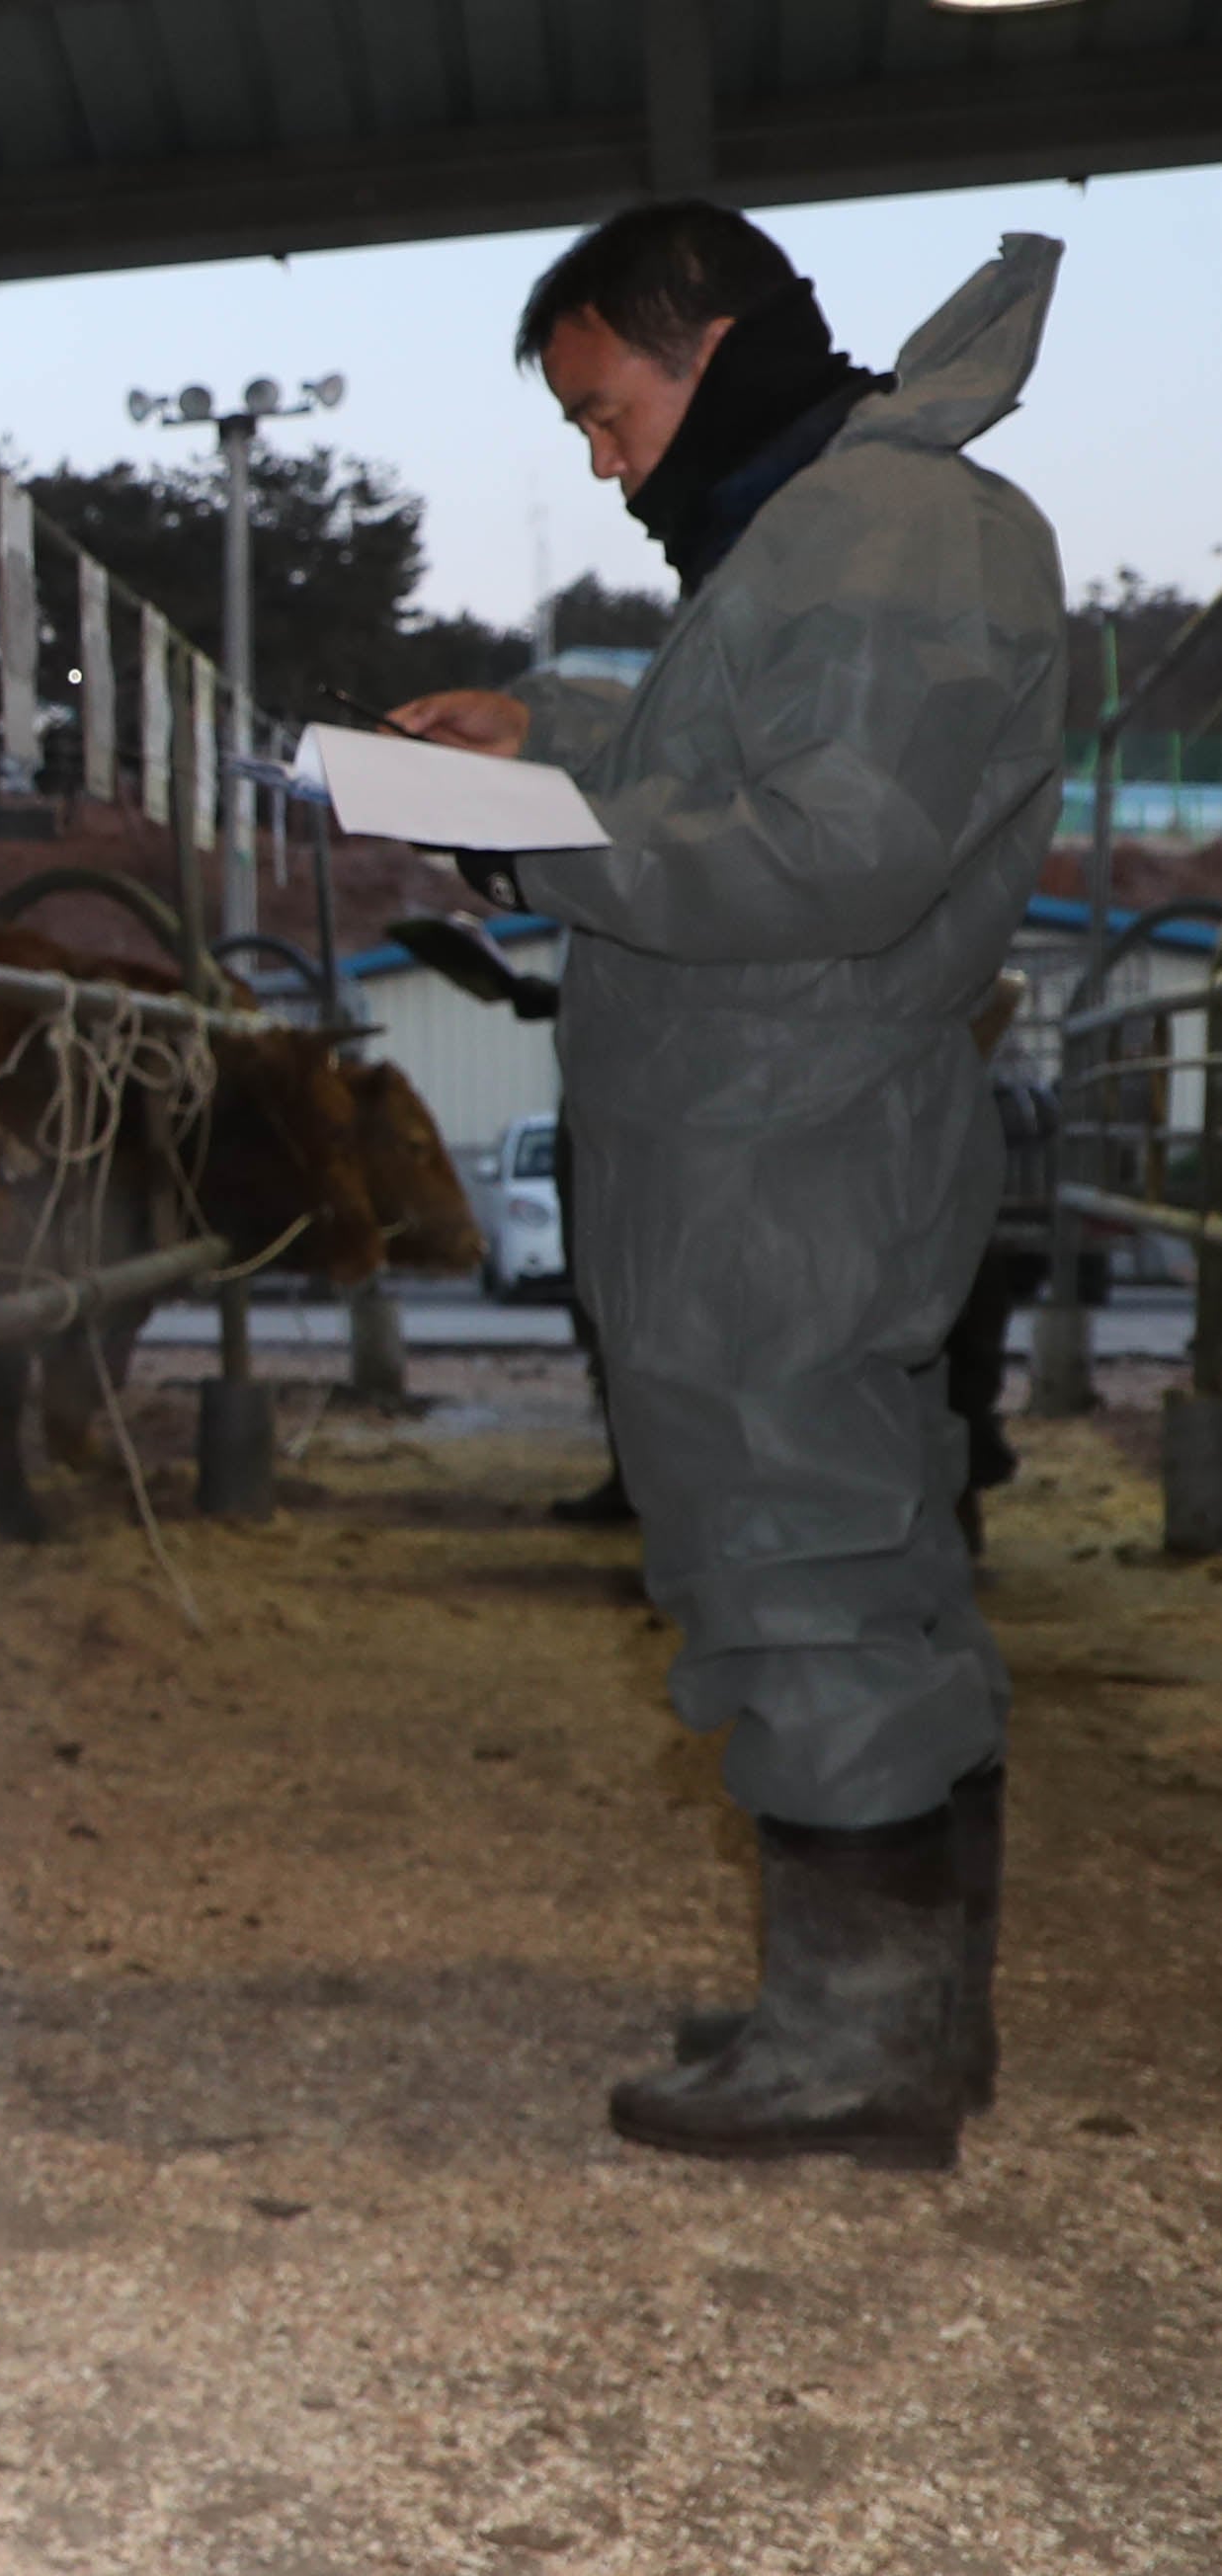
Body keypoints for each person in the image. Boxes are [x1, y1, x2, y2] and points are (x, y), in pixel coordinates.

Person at [393, 204, 1066, 2169]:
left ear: (711, 340)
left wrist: (532, 839)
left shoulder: (886, 526)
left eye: (608, 411)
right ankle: (893, 2015)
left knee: (799, 1571)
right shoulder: (826, 527)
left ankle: (856, 2048)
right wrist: (560, 728)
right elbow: (766, 754)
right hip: (787, 1131)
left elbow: (835, 845)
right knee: (853, 1555)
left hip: (790, 1141)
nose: (605, 463)